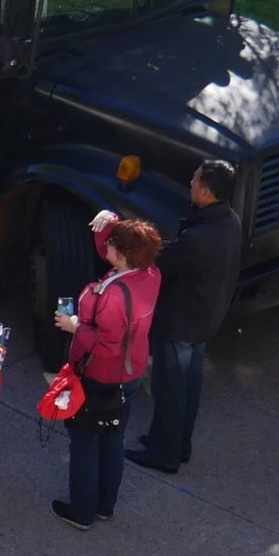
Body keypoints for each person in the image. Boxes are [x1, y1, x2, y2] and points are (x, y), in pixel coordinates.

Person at [50, 213, 162, 530]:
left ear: (123, 256)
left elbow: (106, 345)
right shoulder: (150, 274)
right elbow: (109, 250)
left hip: (101, 377)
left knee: (84, 443)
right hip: (130, 375)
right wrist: (110, 221)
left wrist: (74, 326)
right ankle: (104, 506)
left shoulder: (113, 296)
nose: (106, 247)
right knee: (113, 438)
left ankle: (82, 512)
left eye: (112, 244)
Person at [132, 160, 240, 474]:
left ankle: (163, 455)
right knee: (188, 389)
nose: (190, 182)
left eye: (194, 180)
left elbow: (161, 261)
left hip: (181, 323)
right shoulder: (229, 221)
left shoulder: (199, 238)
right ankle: (178, 446)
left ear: (206, 192)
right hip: (205, 320)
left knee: (169, 390)